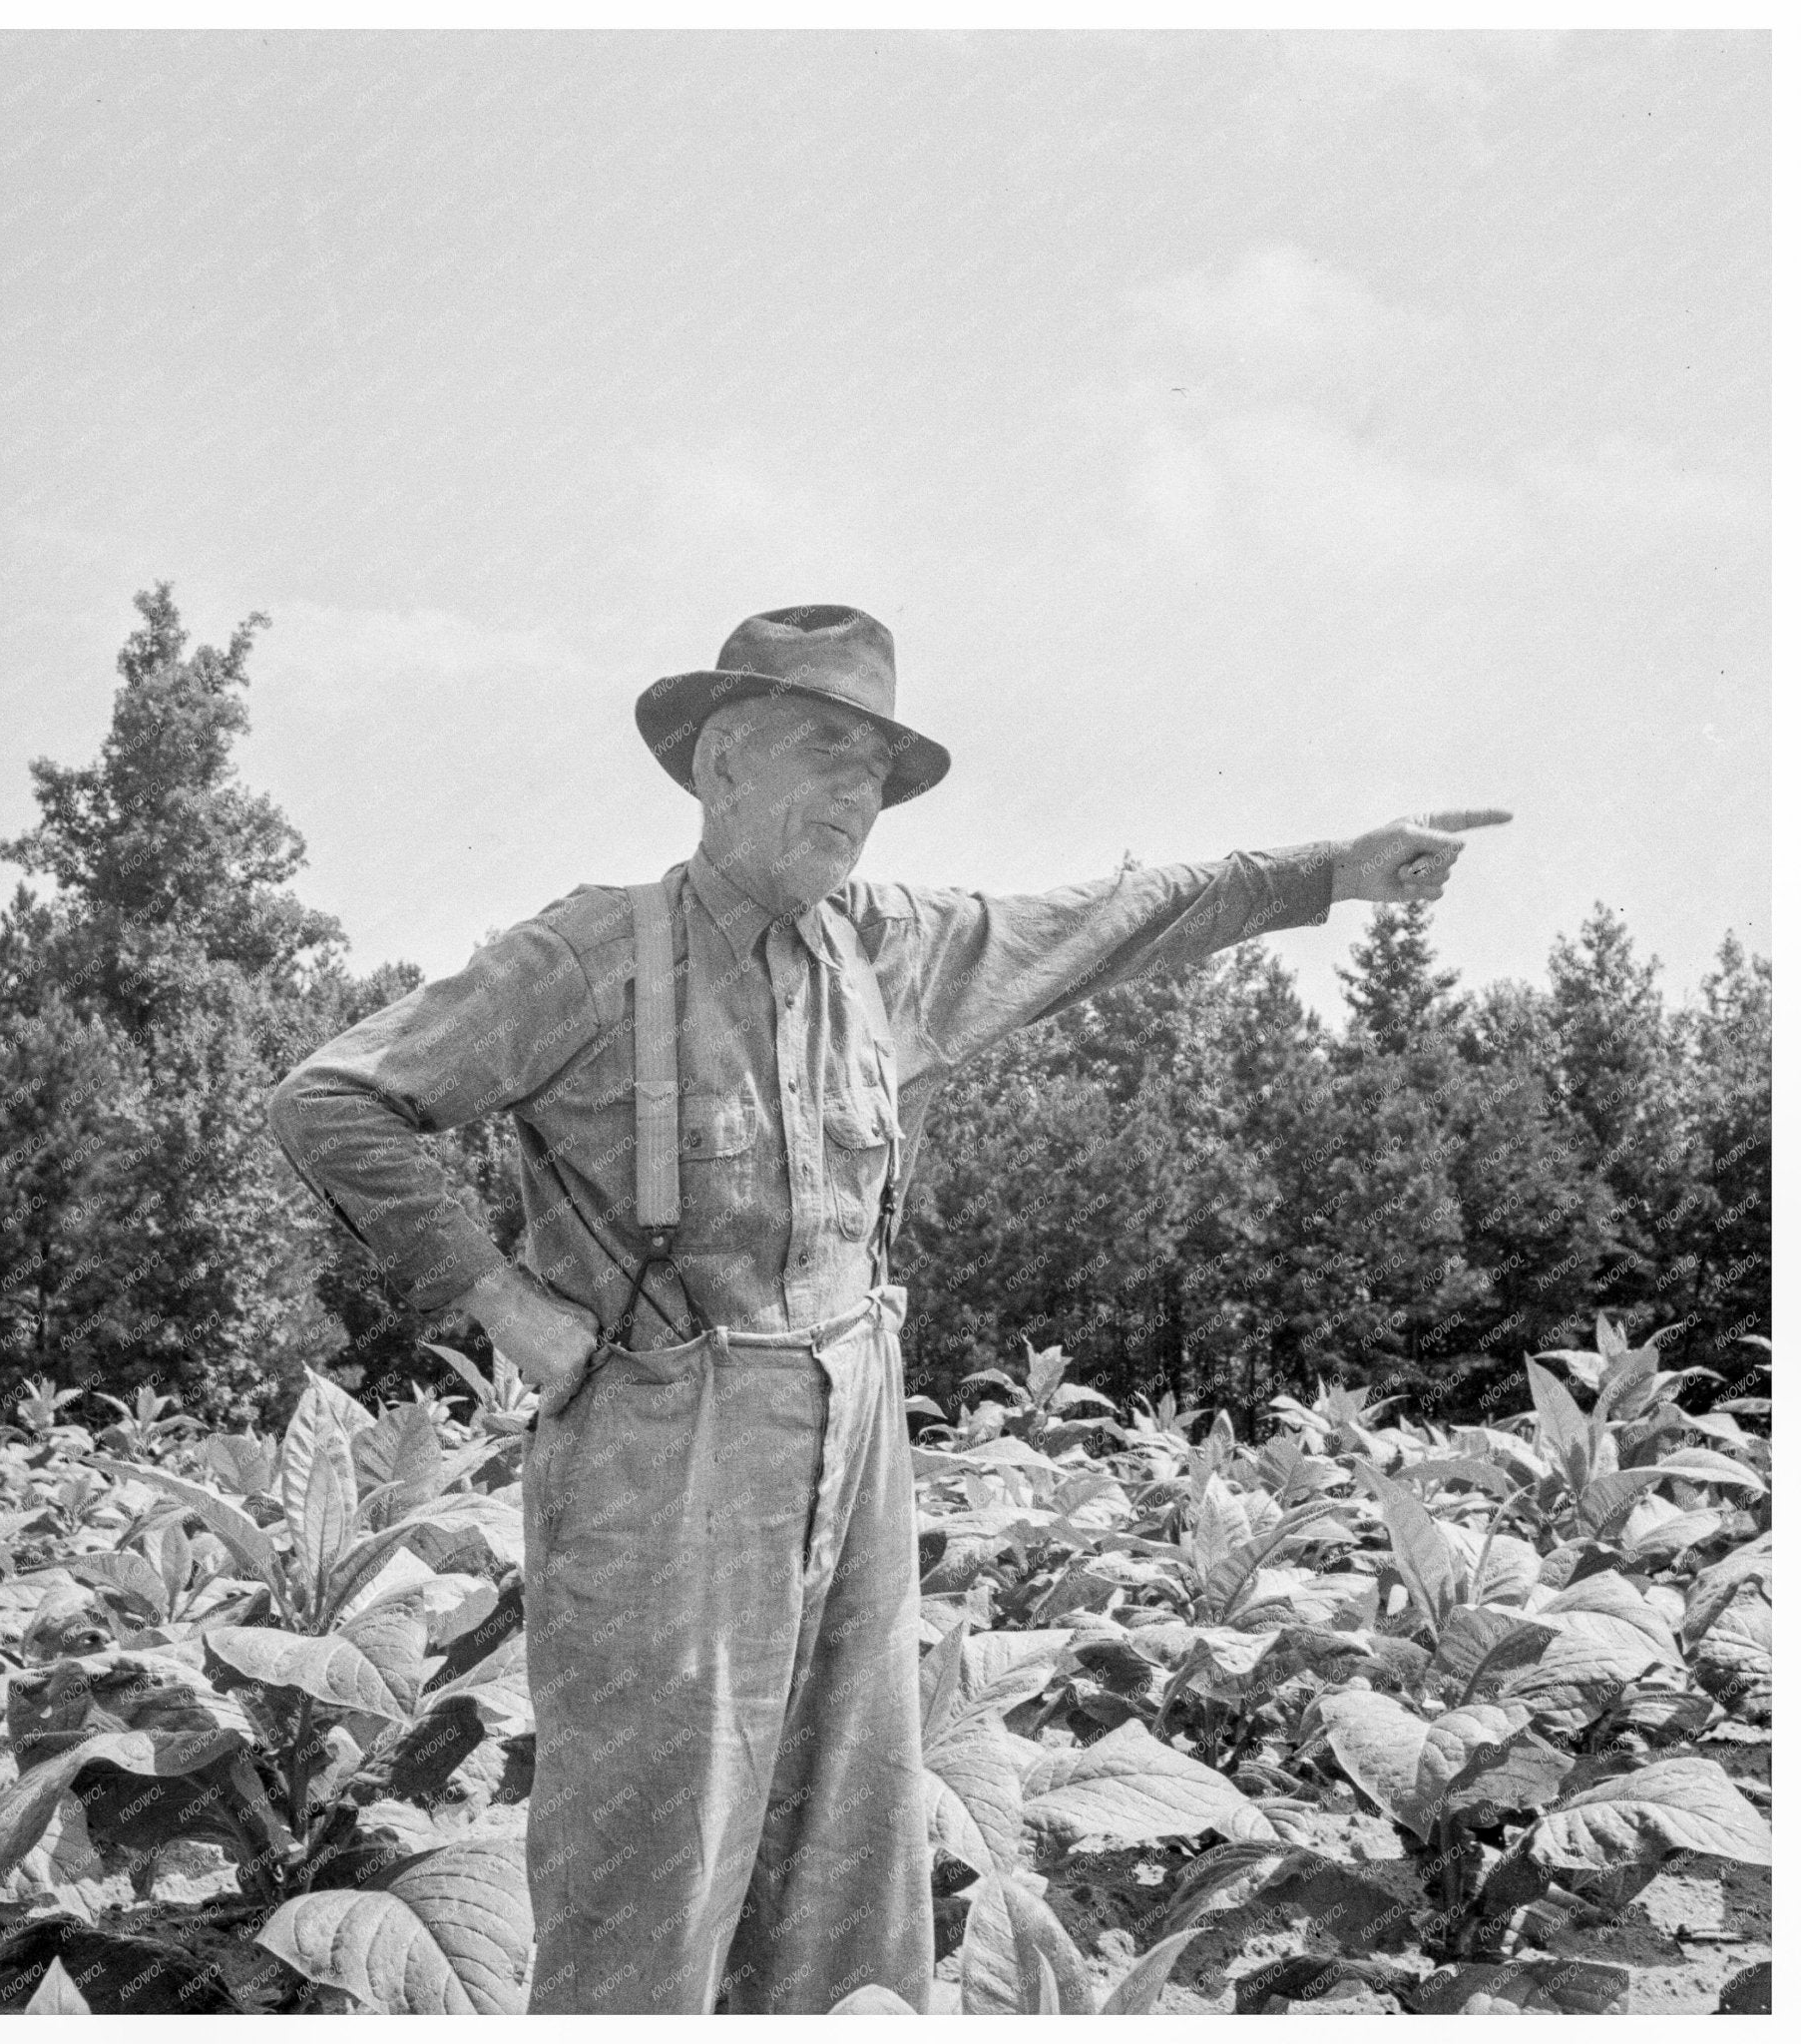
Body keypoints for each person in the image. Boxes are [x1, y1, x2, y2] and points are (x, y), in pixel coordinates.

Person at [266, 604, 1510, 2014]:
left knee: (851, 1845)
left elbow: (1110, 921)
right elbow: (333, 1096)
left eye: (879, 770)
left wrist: (1328, 870)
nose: (861, 797)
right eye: (828, 754)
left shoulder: (891, 949)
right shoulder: (592, 954)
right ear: (722, 764)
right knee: (654, 1855)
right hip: (667, 1440)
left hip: (854, 1422)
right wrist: (497, 1298)